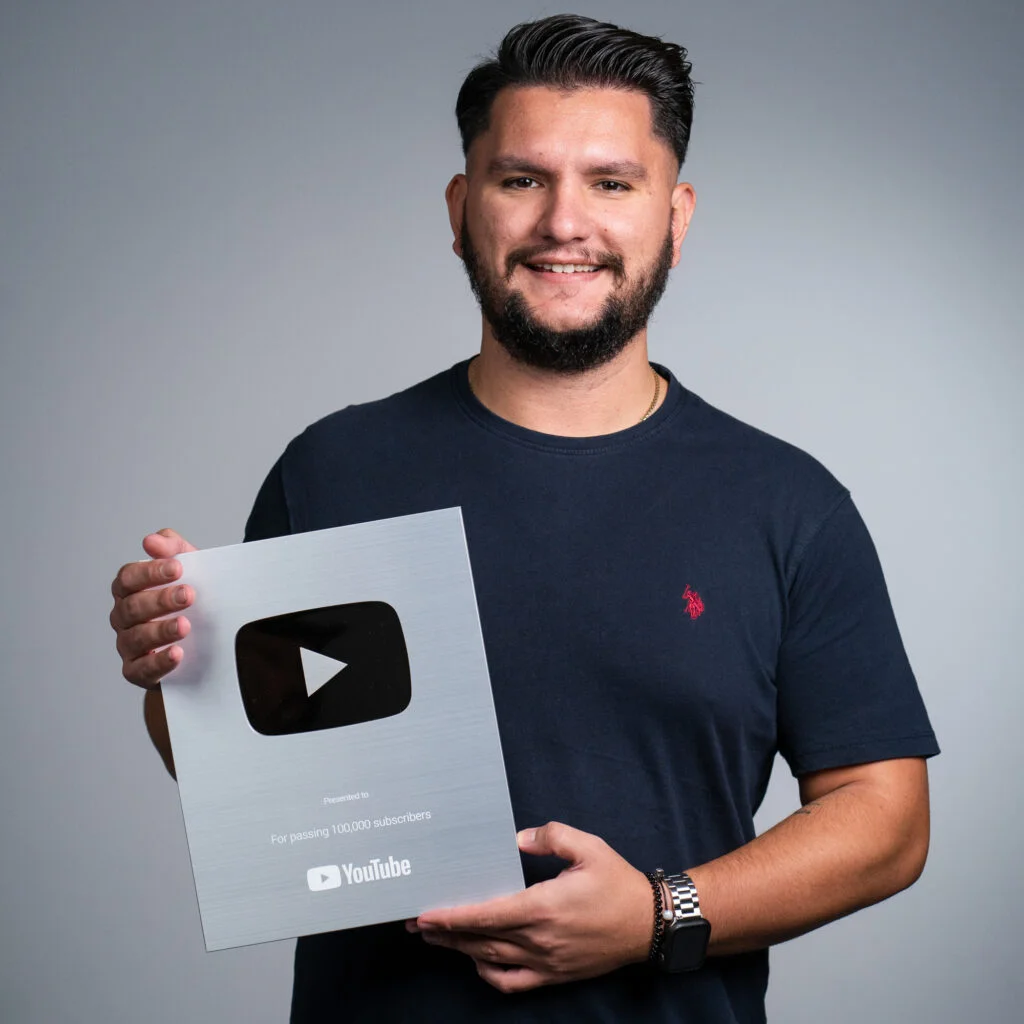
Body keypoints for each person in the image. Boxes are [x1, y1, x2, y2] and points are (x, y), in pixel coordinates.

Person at [108, 14, 939, 1024]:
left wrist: (657, 914)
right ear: (463, 211)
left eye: (611, 183)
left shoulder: (788, 504)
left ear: (675, 217)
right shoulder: (334, 469)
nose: (563, 222)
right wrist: (182, 673)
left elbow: (885, 821)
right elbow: (263, 790)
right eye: (520, 179)